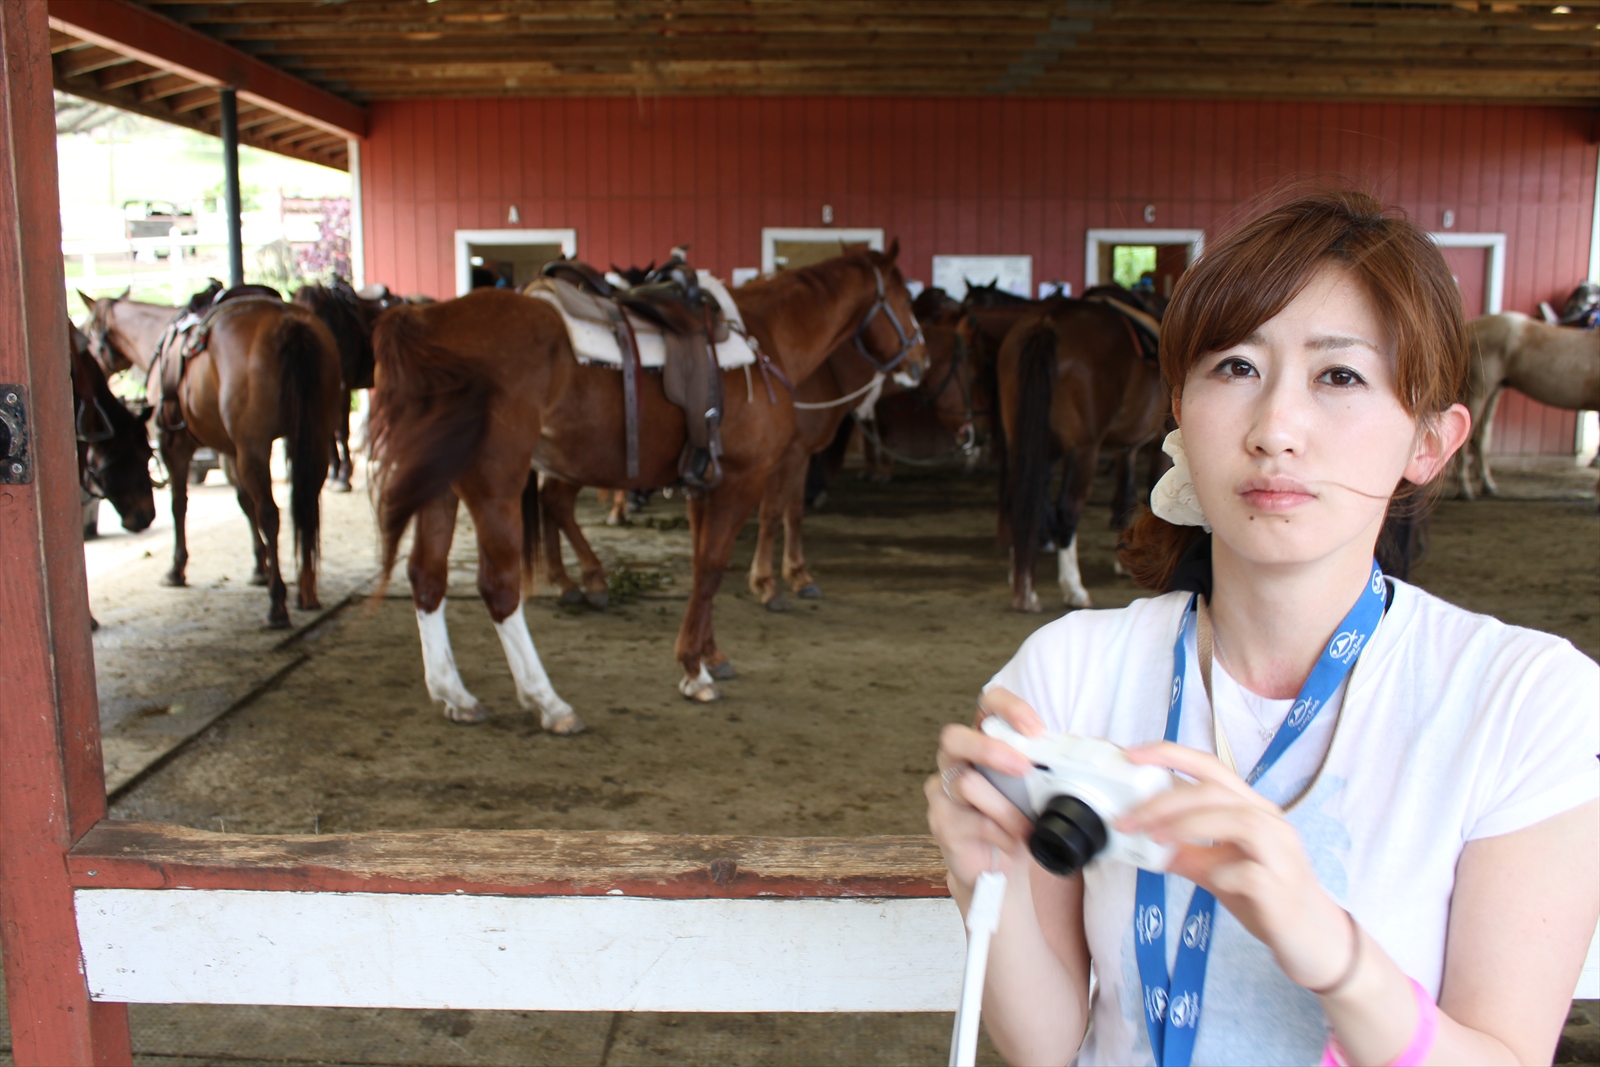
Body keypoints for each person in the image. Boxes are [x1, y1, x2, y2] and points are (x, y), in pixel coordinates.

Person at [928, 190, 1599, 1067]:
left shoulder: (1525, 698)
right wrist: (989, 877)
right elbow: (1051, 1045)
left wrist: (1332, 950)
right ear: (1181, 408)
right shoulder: (1066, 672)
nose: (1275, 428)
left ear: (1431, 441)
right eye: (1236, 367)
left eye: (1340, 376)